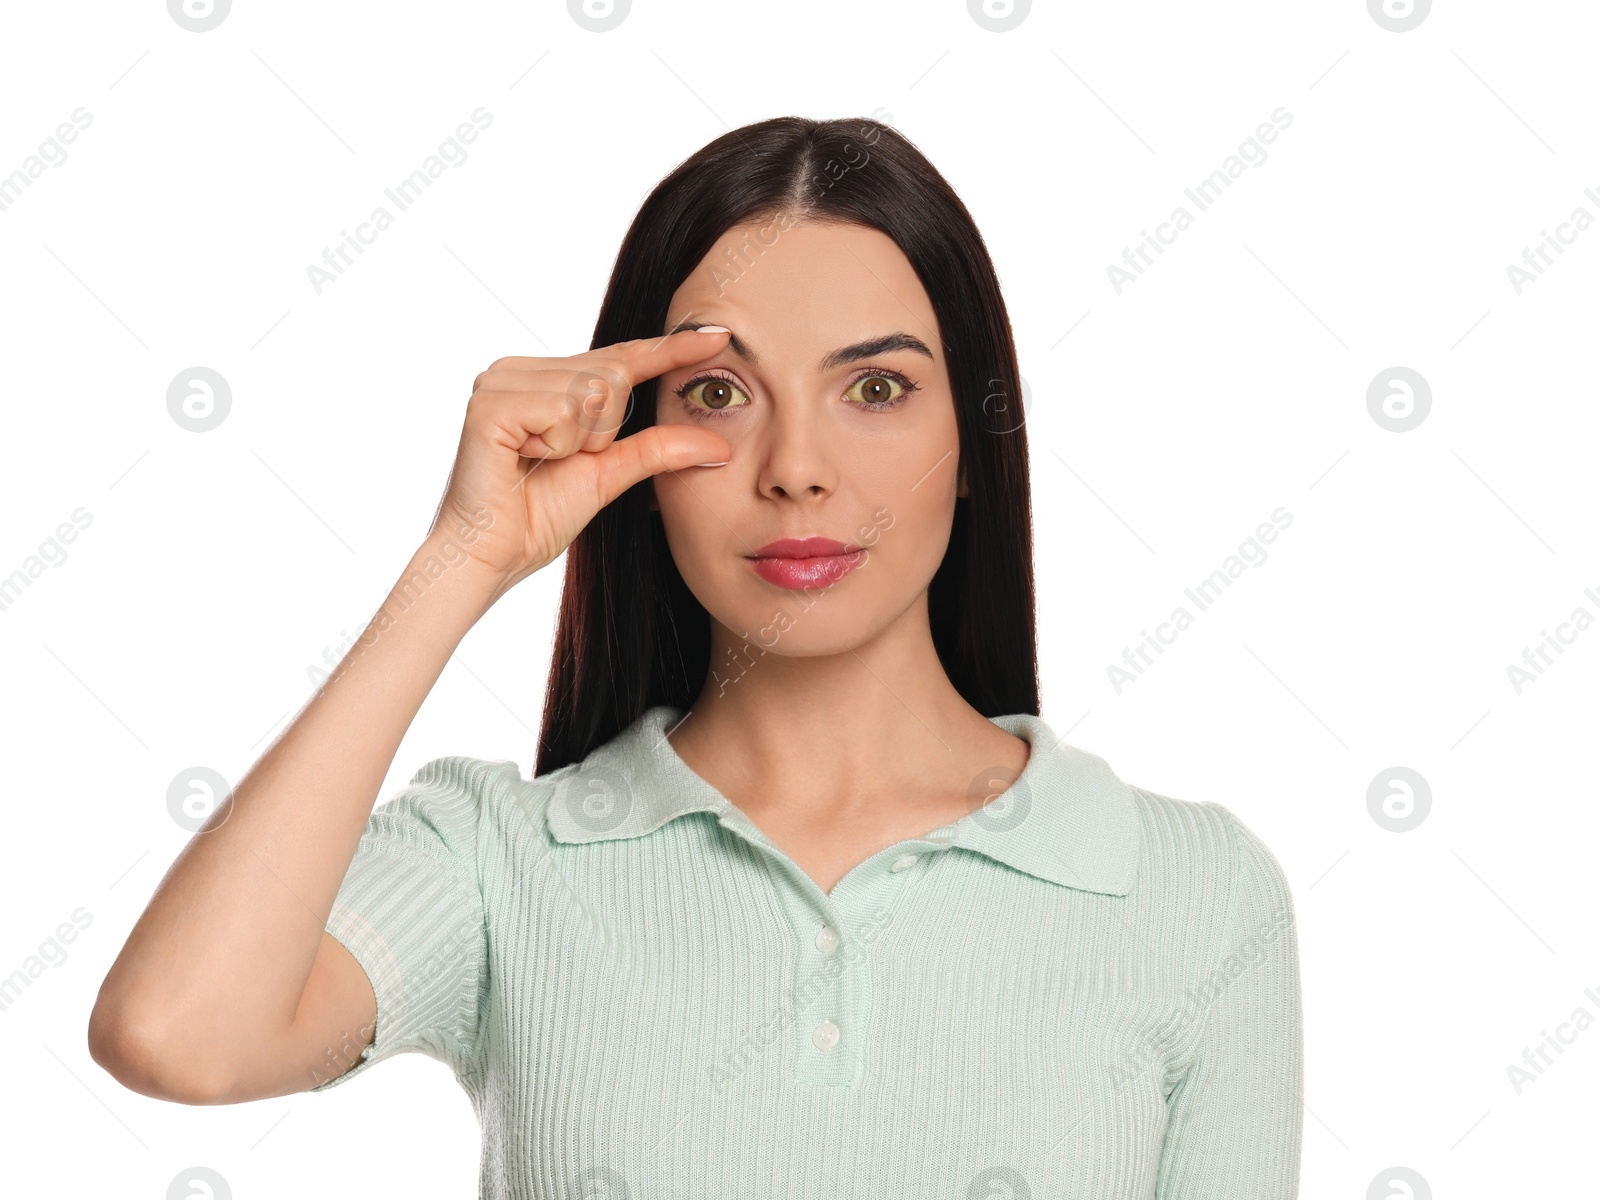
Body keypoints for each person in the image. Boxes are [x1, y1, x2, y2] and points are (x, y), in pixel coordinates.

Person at [87, 115, 1303, 1198]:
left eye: (874, 387)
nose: (795, 468)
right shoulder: (502, 862)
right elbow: (179, 1037)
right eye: (720, 392)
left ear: (974, 438)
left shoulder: (1193, 893)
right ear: (636, 436)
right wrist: (463, 558)